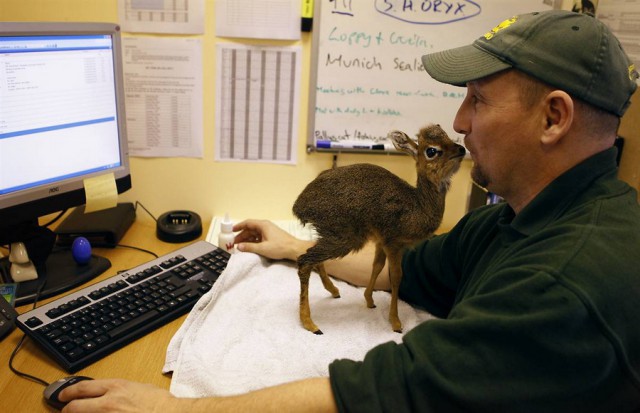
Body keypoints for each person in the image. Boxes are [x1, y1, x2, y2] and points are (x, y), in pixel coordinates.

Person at [59, 10, 640, 412]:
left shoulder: (562, 286)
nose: (461, 122)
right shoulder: (518, 219)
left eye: (478, 100)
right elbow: (407, 269)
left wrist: (175, 409)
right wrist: (293, 248)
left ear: (554, 118)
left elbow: (386, 392)